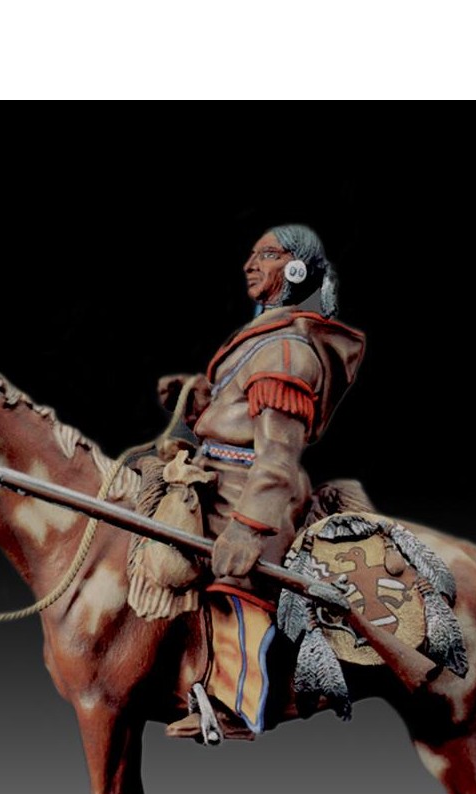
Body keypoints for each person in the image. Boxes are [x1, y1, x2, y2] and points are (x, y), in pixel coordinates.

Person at [160, 225, 366, 740]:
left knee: (238, 579)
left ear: (295, 269)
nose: (250, 265)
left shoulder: (288, 353)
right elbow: (234, 407)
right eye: (252, 255)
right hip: (212, 475)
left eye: (267, 256)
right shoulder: (261, 340)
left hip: (253, 488)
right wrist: (198, 397)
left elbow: (277, 456)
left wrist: (249, 528)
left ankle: (234, 705)